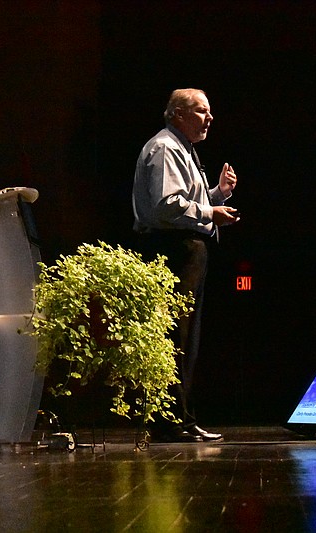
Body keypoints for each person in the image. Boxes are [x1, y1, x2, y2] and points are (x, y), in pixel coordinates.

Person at [132, 88, 239, 442]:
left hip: (183, 248)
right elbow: (166, 206)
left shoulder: (184, 149)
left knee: (185, 336)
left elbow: (183, 201)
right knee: (174, 335)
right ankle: (170, 421)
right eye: (201, 111)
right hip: (171, 249)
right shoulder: (165, 147)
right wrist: (210, 212)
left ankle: (181, 417)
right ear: (178, 114)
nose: (209, 118)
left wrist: (217, 194)